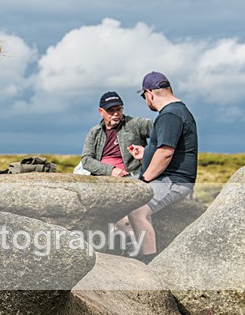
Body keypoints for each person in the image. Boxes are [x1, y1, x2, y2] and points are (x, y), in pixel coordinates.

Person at [126, 72, 198, 263]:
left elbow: (166, 152)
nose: (145, 101)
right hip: (170, 178)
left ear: (150, 93)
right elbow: (163, 149)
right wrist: (146, 154)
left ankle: (148, 262)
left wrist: (143, 181)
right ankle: (135, 253)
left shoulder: (170, 115)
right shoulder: (177, 111)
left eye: (143, 97)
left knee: (136, 210)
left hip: (173, 180)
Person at [78, 91, 152, 177]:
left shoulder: (136, 124)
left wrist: (147, 153)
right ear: (101, 111)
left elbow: (162, 131)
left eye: (119, 109)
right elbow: (86, 160)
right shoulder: (94, 132)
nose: (116, 113)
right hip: (101, 178)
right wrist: (111, 170)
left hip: (132, 176)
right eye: (111, 110)